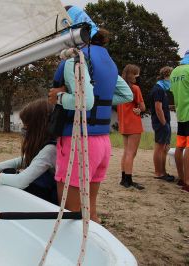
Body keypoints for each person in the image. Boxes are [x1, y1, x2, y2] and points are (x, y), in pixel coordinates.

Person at [49, 6, 133, 223]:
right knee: (91, 212)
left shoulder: (74, 59)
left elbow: (83, 102)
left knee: (69, 216)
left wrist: (57, 98)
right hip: (102, 144)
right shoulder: (108, 60)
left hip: (78, 142)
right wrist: (96, 99)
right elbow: (126, 95)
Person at [0, 99, 58, 204]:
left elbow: (20, 181)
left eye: (26, 126)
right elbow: (23, 160)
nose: (23, 129)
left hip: (49, 200)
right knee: (8, 172)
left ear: (37, 127)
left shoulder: (51, 150)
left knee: (8, 175)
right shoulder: (45, 145)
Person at [117, 64, 146, 190]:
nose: (137, 76)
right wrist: (140, 109)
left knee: (126, 152)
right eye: (136, 74)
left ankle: (124, 178)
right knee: (131, 153)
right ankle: (128, 180)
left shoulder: (119, 88)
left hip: (123, 123)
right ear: (133, 75)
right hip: (134, 123)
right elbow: (142, 106)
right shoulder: (135, 88)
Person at [150, 66, 175, 182]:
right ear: (167, 75)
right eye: (171, 77)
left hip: (163, 122)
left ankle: (163, 171)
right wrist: (164, 123)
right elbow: (158, 108)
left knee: (164, 148)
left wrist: (172, 107)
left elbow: (162, 106)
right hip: (161, 123)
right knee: (159, 148)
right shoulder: (158, 89)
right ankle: (158, 172)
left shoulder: (161, 89)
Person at [170, 50, 189, 192]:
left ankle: (182, 178)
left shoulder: (175, 71)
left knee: (180, 146)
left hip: (181, 113)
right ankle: (188, 182)